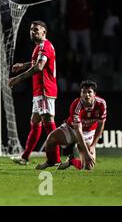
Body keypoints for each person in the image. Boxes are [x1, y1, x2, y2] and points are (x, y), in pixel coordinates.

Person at [9, 20, 60, 165]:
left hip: (45, 90)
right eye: (31, 30)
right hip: (39, 91)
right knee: (35, 122)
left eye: (36, 30)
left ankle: (55, 159)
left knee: (49, 122)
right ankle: (25, 157)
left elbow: (39, 67)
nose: (33, 32)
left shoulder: (45, 46)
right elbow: (36, 63)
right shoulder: (38, 47)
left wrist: (17, 79)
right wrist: (23, 65)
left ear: (44, 32)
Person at [36, 80, 106, 170]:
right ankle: (51, 161)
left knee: (88, 167)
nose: (86, 95)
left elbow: (101, 125)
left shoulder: (101, 104)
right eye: (84, 92)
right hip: (71, 129)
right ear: (80, 93)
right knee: (50, 139)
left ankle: (71, 161)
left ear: (94, 94)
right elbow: (78, 130)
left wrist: (92, 145)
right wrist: (87, 153)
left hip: (88, 133)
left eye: (89, 92)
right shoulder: (76, 105)